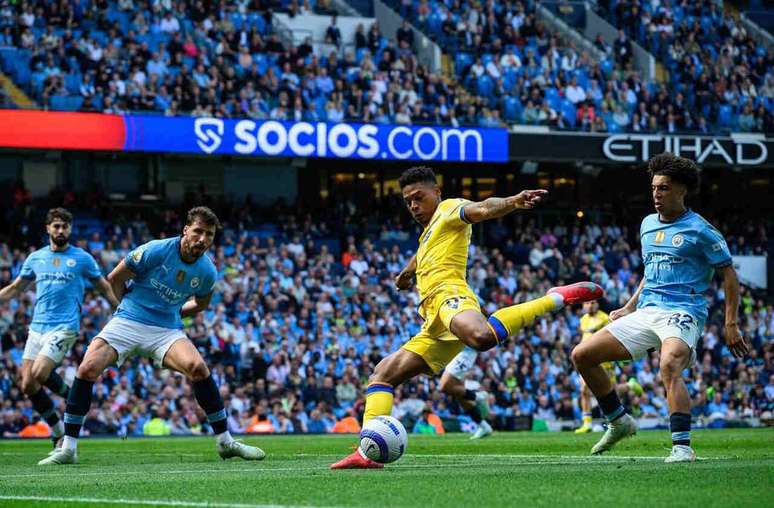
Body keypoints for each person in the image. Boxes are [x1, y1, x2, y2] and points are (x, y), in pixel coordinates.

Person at [331, 166, 603, 469]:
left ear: (437, 192)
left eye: (419, 197)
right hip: (433, 319)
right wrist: (407, 274)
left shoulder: (449, 209)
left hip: (451, 298)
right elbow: (423, 253)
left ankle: (554, 298)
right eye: (408, 201)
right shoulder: (429, 231)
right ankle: (366, 453)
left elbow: (483, 208)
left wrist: (513, 201)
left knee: (481, 337)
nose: (413, 206)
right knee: (382, 375)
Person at [39, 207, 265, 465]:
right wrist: (124, 309)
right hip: (128, 320)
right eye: (198, 232)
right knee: (87, 368)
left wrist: (178, 312)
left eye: (209, 235)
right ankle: (68, 449)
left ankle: (225, 442)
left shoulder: (207, 272)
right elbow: (114, 278)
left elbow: (200, 304)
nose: (202, 239)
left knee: (198, 368)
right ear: (185, 230)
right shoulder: (156, 250)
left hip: (166, 329)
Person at [572, 153, 749, 463]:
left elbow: (729, 275)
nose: (656, 194)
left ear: (682, 191)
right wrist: (629, 306)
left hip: (684, 310)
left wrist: (731, 324)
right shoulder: (648, 224)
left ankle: (682, 447)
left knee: (668, 365)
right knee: (582, 355)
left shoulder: (701, 230)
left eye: (664, 188)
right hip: (647, 310)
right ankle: (618, 420)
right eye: (654, 188)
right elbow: (651, 271)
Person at [0, 208, 118, 448]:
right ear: (48, 229)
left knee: (41, 373)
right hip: (37, 327)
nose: (61, 230)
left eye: (65, 226)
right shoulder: (35, 258)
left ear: (70, 229)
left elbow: (104, 287)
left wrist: (120, 309)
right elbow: (15, 288)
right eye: (56, 226)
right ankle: (57, 431)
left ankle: (74, 398)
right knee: (27, 385)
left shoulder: (83, 258)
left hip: (65, 326)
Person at [439, 347, 492, 439]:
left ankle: (479, 397)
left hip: (465, 350)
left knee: (444, 386)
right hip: (455, 349)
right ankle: (483, 426)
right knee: (459, 394)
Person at [574, 300, 610, 433]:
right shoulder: (583, 319)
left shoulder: (605, 318)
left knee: (609, 391)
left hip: (602, 359)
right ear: (583, 305)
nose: (590, 305)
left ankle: (611, 420)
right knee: (584, 389)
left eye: (593, 302)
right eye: (587, 303)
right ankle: (587, 423)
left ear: (598, 304)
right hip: (586, 359)